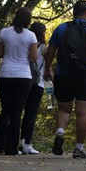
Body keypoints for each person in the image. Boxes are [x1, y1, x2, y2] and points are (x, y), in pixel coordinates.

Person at [44, 0, 86, 158]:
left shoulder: (61, 28)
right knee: (82, 113)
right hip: (85, 75)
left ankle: (60, 132)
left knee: (64, 109)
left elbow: (50, 52)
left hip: (63, 74)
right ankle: (78, 148)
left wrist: (47, 69)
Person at [0, 7, 38, 155]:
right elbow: (33, 58)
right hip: (23, 76)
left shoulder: (4, 32)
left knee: (5, 110)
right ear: (28, 20)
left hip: (5, 74)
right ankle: (11, 148)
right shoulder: (31, 36)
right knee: (17, 112)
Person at [19, 22, 48, 154]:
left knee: (18, 111)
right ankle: (27, 144)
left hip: (23, 79)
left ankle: (18, 142)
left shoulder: (25, 45)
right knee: (31, 114)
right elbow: (48, 67)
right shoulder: (44, 48)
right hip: (38, 82)